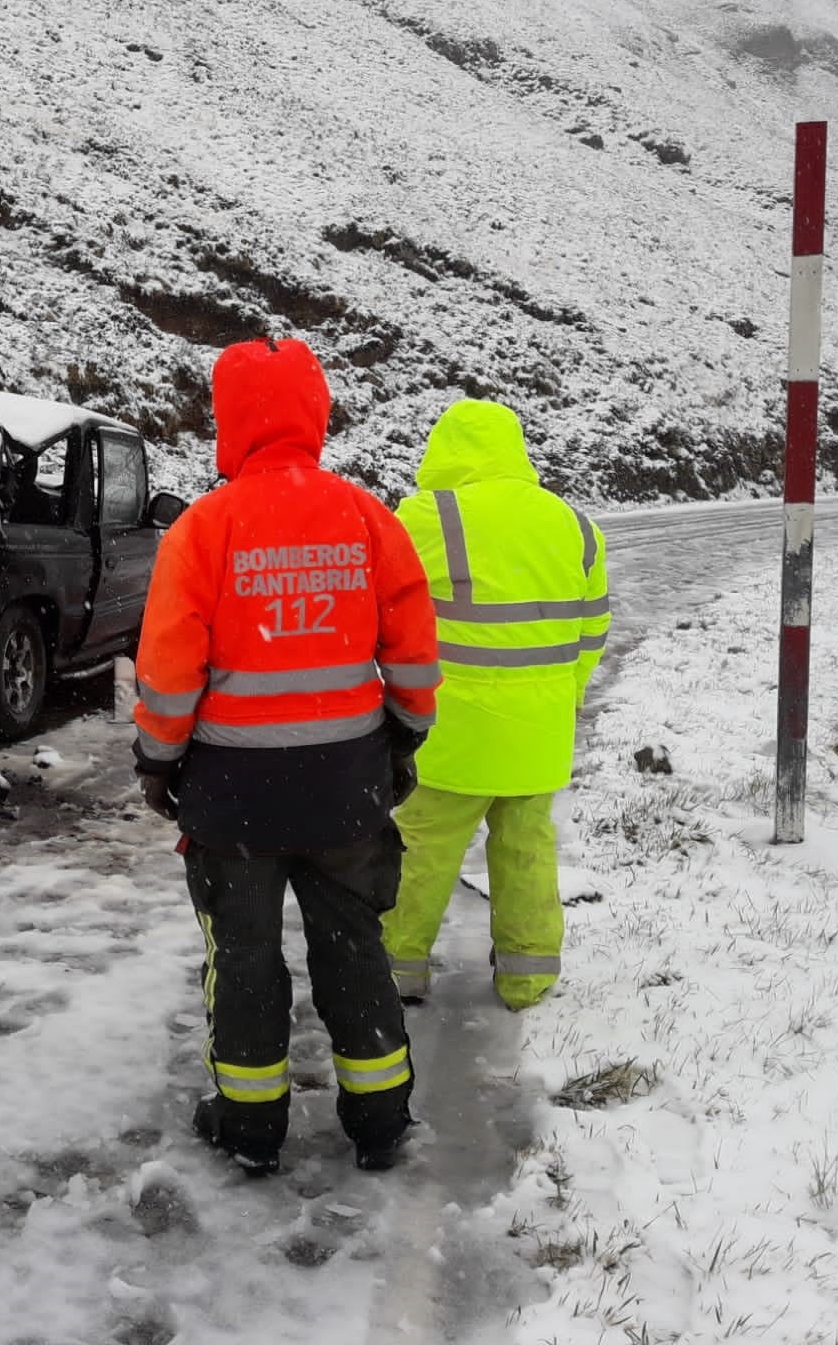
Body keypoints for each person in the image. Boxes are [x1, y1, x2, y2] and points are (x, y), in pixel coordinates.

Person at [132, 337, 441, 1176]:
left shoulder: (203, 529)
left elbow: (168, 669)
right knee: (353, 946)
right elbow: (412, 652)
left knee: (243, 959)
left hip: (234, 798)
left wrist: (159, 763)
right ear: (316, 412)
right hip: (346, 788)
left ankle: (250, 1124)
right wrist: (404, 736)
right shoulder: (366, 517)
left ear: (228, 422)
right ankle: (378, 1117)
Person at [381, 399, 609, 1011]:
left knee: (422, 850)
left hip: (452, 733)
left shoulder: (426, 516)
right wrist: (557, 694)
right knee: (527, 848)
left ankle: (397, 972)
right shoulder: (573, 523)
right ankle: (526, 977)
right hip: (539, 733)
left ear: (444, 450)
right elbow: (593, 629)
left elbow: (386, 614)